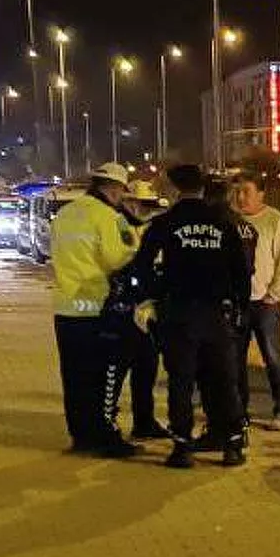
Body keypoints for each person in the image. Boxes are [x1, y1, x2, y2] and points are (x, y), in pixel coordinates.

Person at [135, 164, 250, 470]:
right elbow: (242, 269)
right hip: (216, 314)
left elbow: (142, 264)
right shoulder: (224, 223)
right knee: (224, 380)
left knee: (181, 381)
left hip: (179, 313)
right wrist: (239, 307)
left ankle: (182, 448)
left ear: (174, 190)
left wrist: (157, 293)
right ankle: (233, 445)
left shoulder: (166, 222)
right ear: (203, 189)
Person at [50, 162, 142, 457]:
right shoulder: (108, 217)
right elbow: (118, 259)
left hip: (66, 308)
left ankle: (80, 437)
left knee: (74, 378)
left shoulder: (64, 214)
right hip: (96, 308)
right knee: (102, 377)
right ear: (115, 189)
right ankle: (104, 438)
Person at [229, 171, 280, 430]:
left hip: (265, 303)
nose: (240, 196)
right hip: (237, 302)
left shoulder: (275, 221)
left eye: (246, 190)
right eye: (236, 191)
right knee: (235, 359)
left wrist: (274, 295)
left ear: (261, 193)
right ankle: (238, 411)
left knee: (273, 356)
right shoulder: (230, 221)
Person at [117, 179, 169, 439]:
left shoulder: (152, 227)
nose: (144, 210)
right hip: (122, 305)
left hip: (147, 306)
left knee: (146, 367)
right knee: (116, 370)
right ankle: (109, 423)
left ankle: (144, 421)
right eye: (140, 204)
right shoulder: (117, 223)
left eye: (148, 205)